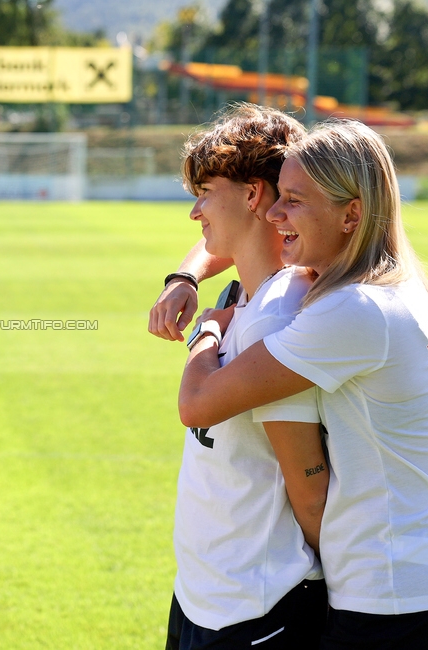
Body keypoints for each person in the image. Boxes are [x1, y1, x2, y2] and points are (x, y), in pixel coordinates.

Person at [175, 119, 428, 649]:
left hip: (396, 602)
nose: (275, 214)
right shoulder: (387, 283)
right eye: (277, 196)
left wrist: (208, 328)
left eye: (294, 201)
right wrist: (185, 276)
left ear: (351, 215)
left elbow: (199, 405)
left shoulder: (349, 310)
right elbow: (244, 237)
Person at [163, 104, 329, 650]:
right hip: (202, 596)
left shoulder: (277, 319)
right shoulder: (246, 293)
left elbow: (309, 489)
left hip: (257, 609)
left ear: (254, 195)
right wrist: (184, 277)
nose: (195, 212)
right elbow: (227, 246)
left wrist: (206, 332)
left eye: (205, 192)